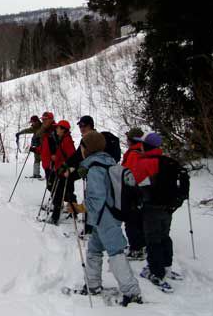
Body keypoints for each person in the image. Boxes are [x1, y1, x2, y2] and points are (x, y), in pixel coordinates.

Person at [76, 131, 142, 306]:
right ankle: (92, 285)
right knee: (94, 249)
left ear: (87, 149)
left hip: (105, 217)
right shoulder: (109, 162)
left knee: (115, 252)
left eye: (82, 146)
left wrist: (82, 207)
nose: (81, 150)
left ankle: (132, 292)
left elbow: (97, 197)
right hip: (106, 216)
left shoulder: (95, 168)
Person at [129, 132, 182, 293]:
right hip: (168, 207)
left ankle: (156, 272)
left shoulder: (144, 163)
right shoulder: (169, 161)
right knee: (164, 236)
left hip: (151, 207)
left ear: (146, 146)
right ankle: (166, 266)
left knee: (152, 239)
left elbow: (134, 183)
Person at [121, 127, 146, 261]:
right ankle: (141, 245)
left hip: (132, 191)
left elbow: (129, 173)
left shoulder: (134, 154)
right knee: (139, 220)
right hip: (142, 191)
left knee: (131, 221)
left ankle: (136, 249)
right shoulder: (144, 150)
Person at [48, 120, 77, 225]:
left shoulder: (67, 141)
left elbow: (72, 158)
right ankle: (74, 212)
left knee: (59, 195)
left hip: (65, 173)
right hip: (61, 171)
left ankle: (55, 218)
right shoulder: (63, 139)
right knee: (68, 194)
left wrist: (66, 168)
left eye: (58, 128)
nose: (56, 130)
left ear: (63, 130)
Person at [33, 112, 57, 191]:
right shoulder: (45, 129)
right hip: (46, 161)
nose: (43, 121)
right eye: (42, 120)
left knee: (54, 184)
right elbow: (44, 145)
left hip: (53, 162)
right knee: (50, 185)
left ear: (51, 119)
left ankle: (58, 201)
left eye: (45, 119)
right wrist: (36, 148)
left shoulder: (56, 130)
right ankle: (54, 199)